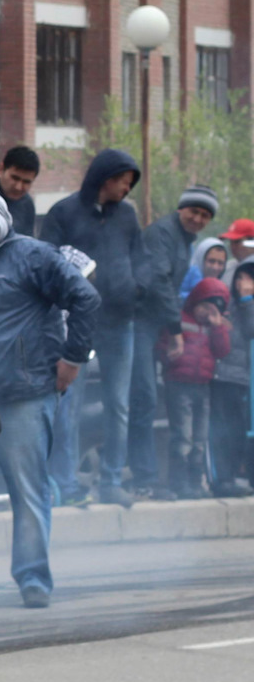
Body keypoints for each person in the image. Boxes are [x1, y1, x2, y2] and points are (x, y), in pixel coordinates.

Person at [0, 180, 100, 609]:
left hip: (26, 394)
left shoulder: (33, 256)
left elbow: (85, 298)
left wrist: (73, 358)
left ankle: (33, 579)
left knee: (27, 491)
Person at [40, 148, 146, 506]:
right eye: (124, 181)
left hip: (120, 323)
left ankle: (112, 481)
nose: (127, 189)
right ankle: (66, 484)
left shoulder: (128, 217)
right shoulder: (64, 212)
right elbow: (46, 260)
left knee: (119, 403)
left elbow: (141, 261)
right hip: (77, 326)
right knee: (69, 403)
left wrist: (135, 290)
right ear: (106, 177)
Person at [137, 184, 219, 494]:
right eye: (194, 211)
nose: (198, 219)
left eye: (205, 215)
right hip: (139, 321)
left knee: (148, 399)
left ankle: (167, 480)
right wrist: (176, 331)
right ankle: (144, 477)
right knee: (142, 398)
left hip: (154, 326)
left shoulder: (184, 241)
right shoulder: (163, 234)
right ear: (181, 209)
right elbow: (159, 282)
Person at [159, 275, 233, 498]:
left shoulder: (212, 327)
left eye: (213, 310)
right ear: (195, 301)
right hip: (179, 385)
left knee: (200, 439)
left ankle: (195, 482)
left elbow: (222, 351)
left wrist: (218, 327)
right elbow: (163, 346)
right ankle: (178, 482)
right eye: (204, 307)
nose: (206, 314)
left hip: (203, 386)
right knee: (183, 436)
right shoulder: (178, 320)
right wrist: (170, 356)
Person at [213, 259, 254, 494]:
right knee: (222, 429)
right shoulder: (226, 300)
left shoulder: (248, 304)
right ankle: (222, 479)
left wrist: (248, 300)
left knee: (238, 429)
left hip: (241, 376)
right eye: (241, 277)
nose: (244, 283)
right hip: (223, 372)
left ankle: (233, 478)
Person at [0, 145, 42, 237]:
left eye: (26, 182)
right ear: (1, 170)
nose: (18, 187)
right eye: (14, 178)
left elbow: (28, 243)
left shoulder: (27, 203)